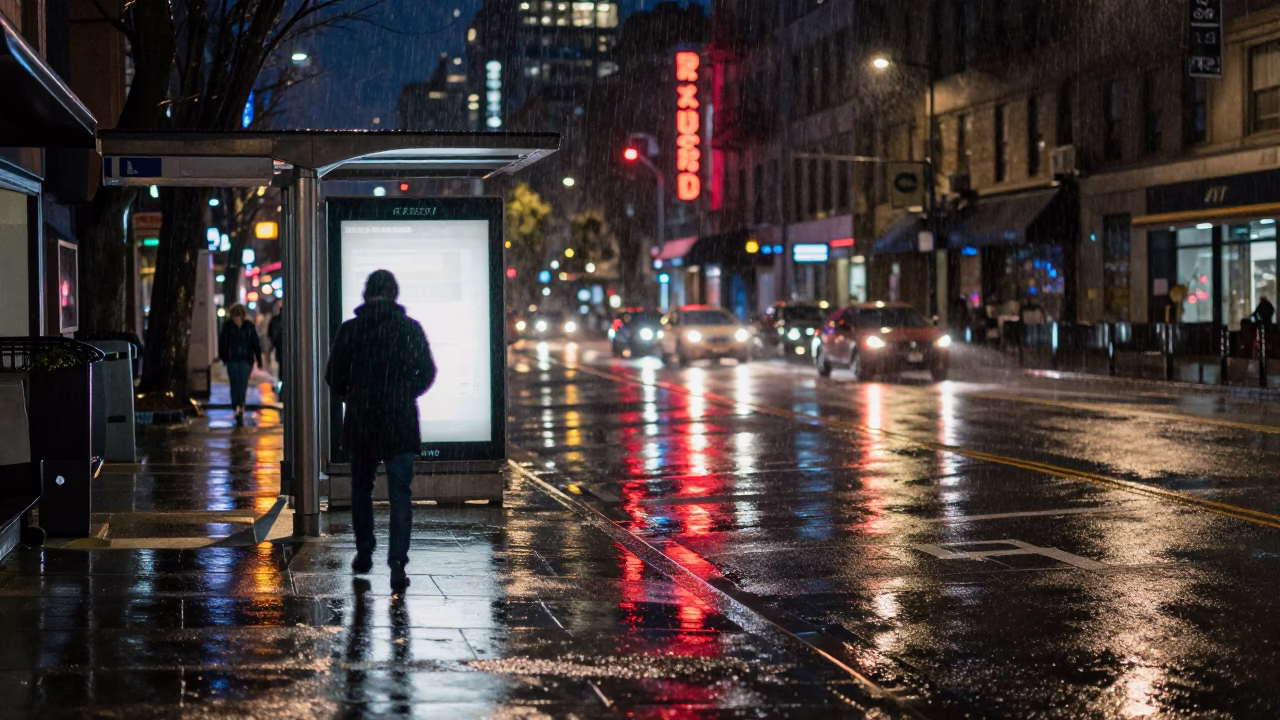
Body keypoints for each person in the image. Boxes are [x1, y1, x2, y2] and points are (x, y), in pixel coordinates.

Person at [325, 270, 436, 591]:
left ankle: (364, 552)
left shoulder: (351, 330)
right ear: (394, 294)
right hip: (399, 423)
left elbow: (334, 375)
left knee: (362, 489)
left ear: (366, 294)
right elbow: (427, 372)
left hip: (362, 422)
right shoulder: (409, 329)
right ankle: (398, 564)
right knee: (401, 494)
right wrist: (404, 393)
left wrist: (354, 395)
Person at [218, 303, 263, 425]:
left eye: (238, 315)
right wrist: (224, 357)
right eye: (235, 315)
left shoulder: (249, 327)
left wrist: (258, 359)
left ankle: (240, 406)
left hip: (245, 360)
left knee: (242, 384)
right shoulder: (228, 326)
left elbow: (255, 343)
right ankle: (236, 405)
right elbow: (223, 342)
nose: (236, 318)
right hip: (233, 360)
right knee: (235, 384)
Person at [267, 302, 284, 398]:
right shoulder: (275, 320)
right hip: (280, 348)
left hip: (279, 348)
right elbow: (270, 334)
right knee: (281, 369)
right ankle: (282, 388)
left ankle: (282, 388)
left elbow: (270, 334)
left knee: (281, 369)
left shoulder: (275, 320)